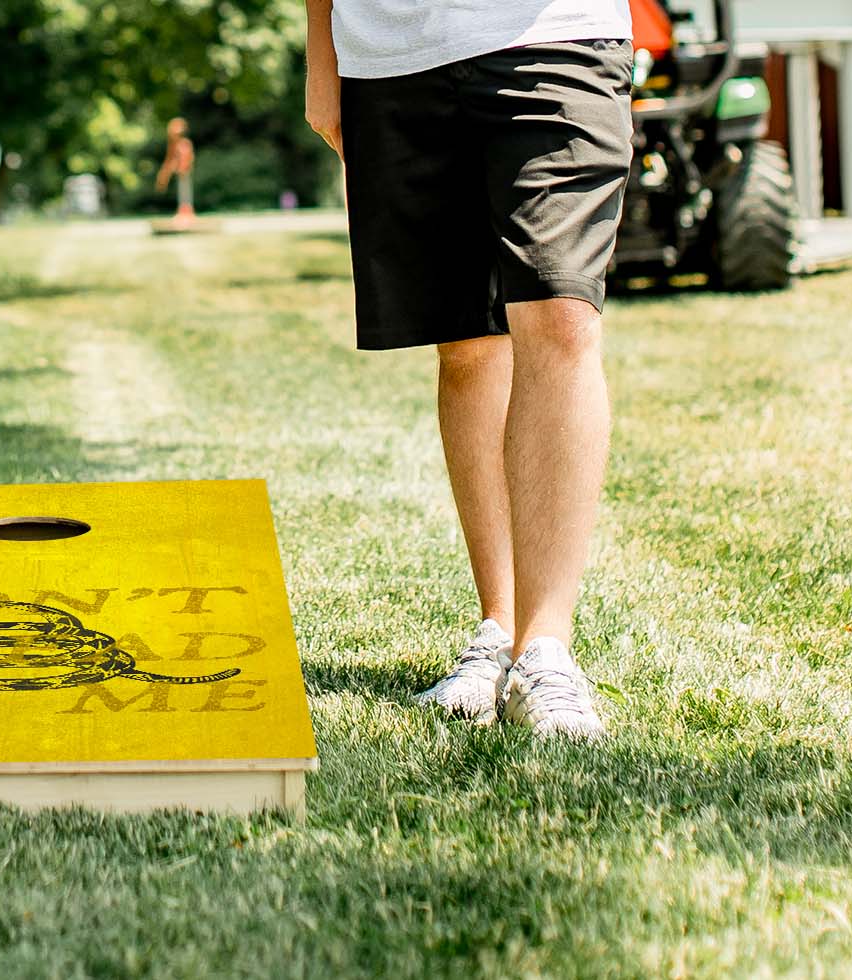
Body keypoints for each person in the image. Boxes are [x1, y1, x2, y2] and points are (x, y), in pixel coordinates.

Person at [303, 0, 635, 736]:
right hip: (392, 51)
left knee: (559, 312)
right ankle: (499, 629)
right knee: (467, 340)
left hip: (556, 36)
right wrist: (320, 49)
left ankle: (546, 650)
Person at [154, 117, 198, 227]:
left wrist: (181, 167)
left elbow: (187, 159)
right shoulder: (175, 145)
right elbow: (171, 159)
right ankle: (183, 212)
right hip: (181, 172)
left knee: (185, 192)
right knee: (183, 192)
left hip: (184, 172)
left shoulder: (184, 144)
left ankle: (187, 212)